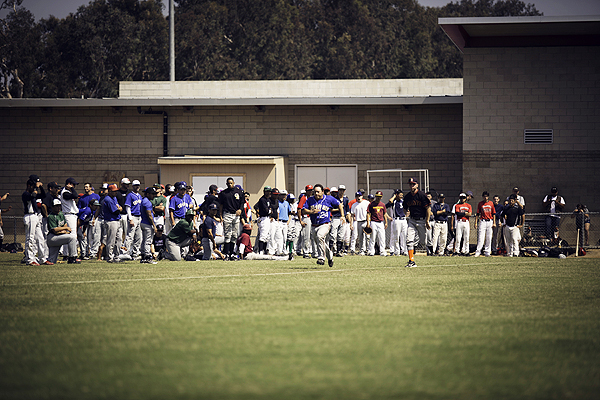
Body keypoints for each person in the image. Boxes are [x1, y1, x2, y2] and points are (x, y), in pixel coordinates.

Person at [301, 184, 339, 267]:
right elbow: (303, 210)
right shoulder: (310, 200)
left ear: (322, 192)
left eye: (318, 192)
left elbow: (339, 204)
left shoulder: (328, 198)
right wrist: (311, 212)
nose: (316, 193)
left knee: (320, 236)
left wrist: (342, 216)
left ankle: (321, 258)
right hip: (314, 225)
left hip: (325, 224)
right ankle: (330, 256)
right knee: (320, 242)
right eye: (315, 192)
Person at [403, 178, 431, 267]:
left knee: (423, 242)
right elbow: (404, 207)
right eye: (410, 184)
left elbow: (428, 208)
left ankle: (428, 247)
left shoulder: (422, 195)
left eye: (413, 184)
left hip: (422, 220)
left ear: (417, 185)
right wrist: (406, 213)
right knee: (409, 240)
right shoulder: (407, 196)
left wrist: (427, 220)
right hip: (412, 220)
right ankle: (411, 261)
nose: (412, 186)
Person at [22, 177, 49, 266]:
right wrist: (36, 188)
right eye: (33, 186)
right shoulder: (25, 194)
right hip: (29, 216)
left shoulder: (34, 192)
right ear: (29, 186)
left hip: (36, 216)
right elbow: (32, 196)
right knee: (30, 238)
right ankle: (29, 259)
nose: (34, 188)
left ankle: (42, 258)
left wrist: (40, 187)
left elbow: (43, 195)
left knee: (40, 238)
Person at [219, 177, 245, 260]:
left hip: (236, 215)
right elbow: (221, 205)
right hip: (227, 214)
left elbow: (242, 203)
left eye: (231, 183)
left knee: (234, 235)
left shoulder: (239, 192)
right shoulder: (223, 193)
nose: (230, 184)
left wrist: (240, 210)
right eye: (228, 183)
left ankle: (232, 253)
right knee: (227, 234)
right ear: (226, 184)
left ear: (234, 183)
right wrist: (220, 215)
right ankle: (226, 253)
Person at [46, 199, 79, 264]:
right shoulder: (51, 216)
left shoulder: (61, 214)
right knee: (72, 238)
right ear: (52, 207)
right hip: (52, 238)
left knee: (52, 261)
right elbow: (54, 230)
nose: (58, 207)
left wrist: (63, 230)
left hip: (58, 237)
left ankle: (49, 261)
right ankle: (72, 258)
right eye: (56, 206)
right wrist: (64, 229)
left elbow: (64, 224)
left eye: (59, 206)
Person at [102, 184, 123, 263]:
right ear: (109, 191)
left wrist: (120, 208)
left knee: (119, 239)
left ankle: (116, 257)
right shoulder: (108, 199)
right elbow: (116, 211)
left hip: (117, 220)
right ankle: (109, 257)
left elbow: (120, 207)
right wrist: (119, 209)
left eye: (116, 191)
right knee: (111, 240)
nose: (116, 192)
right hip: (111, 221)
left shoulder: (114, 198)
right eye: (114, 191)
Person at [124, 180, 143, 259]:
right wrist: (130, 218)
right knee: (130, 236)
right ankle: (126, 252)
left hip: (139, 217)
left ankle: (135, 253)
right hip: (133, 216)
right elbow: (128, 207)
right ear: (132, 186)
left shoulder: (139, 196)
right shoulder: (130, 195)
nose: (137, 187)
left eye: (138, 185)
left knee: (139, 237)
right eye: (135, 185)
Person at [366, 191, 388, 257]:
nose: (378, 198)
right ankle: (371, 251)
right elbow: (368, 214)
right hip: (373, 222)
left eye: (379, 197)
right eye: (377, 196)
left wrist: (386, 222)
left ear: (381, 197)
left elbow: (385, 214)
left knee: (382, 237)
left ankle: (382, 251)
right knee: (373, 237)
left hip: (380, 222)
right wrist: (368, 223)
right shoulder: (371, 204)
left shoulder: (383, 205)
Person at [474, 191, 496, 257]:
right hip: (483, 221)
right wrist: (475, 222)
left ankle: (487, 252)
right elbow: (477, 214)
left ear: (488, 197)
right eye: (484, 196)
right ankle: (478, 252)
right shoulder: (480, 204)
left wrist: (494, 222)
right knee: (481, 237)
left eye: (486, 196)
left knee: (489, 237)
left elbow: (494, 213)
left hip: (490, 221)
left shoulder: (491, 203)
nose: (485, 197)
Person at [386, 189, 407, 257]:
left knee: (404, 236)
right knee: (396, 236)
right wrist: (394, 196)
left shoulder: (403, 202)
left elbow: (407, 209)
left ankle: (404, 250)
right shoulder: (394, 202)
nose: (401, 196)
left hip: (403, 219)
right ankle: (397, 251)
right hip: (396, 219)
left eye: (402, 195)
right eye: (399, 195)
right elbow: (389, 201)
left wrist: (406, 215)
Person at [140, 187, 158, 264]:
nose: (154, 196)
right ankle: (147, 258)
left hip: (143, 222)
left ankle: (143, 257)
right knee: (148, 241)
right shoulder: (147, 202)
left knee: (144, 241)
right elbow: (149, 215)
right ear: (148, 194)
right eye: (152, 194)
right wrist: (154, 225)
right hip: (147, 224)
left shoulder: (144, 200)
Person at [254, 186, 272, 254]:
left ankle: (264, 250)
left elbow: (270, 209)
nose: (269, 192)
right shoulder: (262, 199)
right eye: (268, 191)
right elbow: (266, 210)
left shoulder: (268, 199)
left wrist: (269, 211)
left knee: (267, 236)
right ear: (264, 192)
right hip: (263, 218)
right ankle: (260, 251)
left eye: (270, 191)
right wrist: (259, 213)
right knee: (263, 235)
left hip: (267, 218)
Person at [350, 191, 370, 255]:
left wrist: (369, 221)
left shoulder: (366, 203)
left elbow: (369, 212)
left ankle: (368, 250)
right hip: (359, 222)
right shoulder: (354, 205)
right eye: (357, 196)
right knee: (360, 237)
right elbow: (352, 215)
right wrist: (351, 224)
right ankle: (362, 250)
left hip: (366, 221)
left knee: (368, 237)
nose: (359, 197)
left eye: (360, 196)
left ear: (362, 196)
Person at [297, 185, 314, 258]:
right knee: (306, 236)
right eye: (309, 190)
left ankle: (313, 252)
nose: (310, 192)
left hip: (312, 218)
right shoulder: (304, 198)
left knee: (312, 236)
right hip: (305, 218)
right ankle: (305, 252)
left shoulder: (312, 198)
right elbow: (299, 209)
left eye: (311, 190)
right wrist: (300, 220)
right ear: (306, 191)